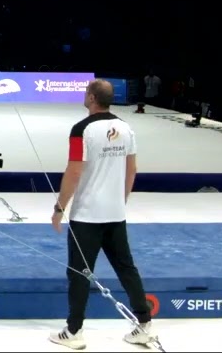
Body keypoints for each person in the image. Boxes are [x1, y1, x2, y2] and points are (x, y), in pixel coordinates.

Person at [49, 79, 154, 350]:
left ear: (92, 98)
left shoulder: (81, 130)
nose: (84, 96)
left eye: (86, 93)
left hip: (87, 216)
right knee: (126, 268)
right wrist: (121, 201)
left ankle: (73, 332)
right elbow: (132, 170)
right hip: (115, 213)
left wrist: (59, 208)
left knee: (80, 273)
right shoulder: (126, 127)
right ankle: (144, 325)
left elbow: (74, 171)